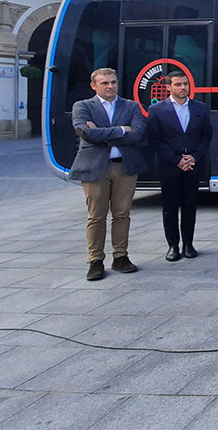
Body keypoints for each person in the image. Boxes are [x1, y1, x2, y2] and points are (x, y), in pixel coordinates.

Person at [70, 68, 148, 281]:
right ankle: (95, 261)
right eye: (104, 83)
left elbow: (139, 133)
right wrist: (122, 130)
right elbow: (85, 133)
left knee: (122, 214)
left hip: (124, 167)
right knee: (96, 216)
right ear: (94, 85)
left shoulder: (130, 106)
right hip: (95, 168)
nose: (110, 86)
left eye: (113, 82)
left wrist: (101, 132)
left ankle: (121, 256)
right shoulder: (83, 106)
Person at [145, 70, 213, 262]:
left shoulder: (200, 108)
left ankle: (188, 244)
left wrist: (194, 157)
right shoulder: (157, 110)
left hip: (193, 165)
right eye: (178, 85)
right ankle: (173, 246)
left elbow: (206, 135)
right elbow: (154, 139)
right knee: (170, 207)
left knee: (190, 205)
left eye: (185, 84)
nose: (183, 88)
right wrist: (177, 160)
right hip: (169, 166)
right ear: (168, 87)